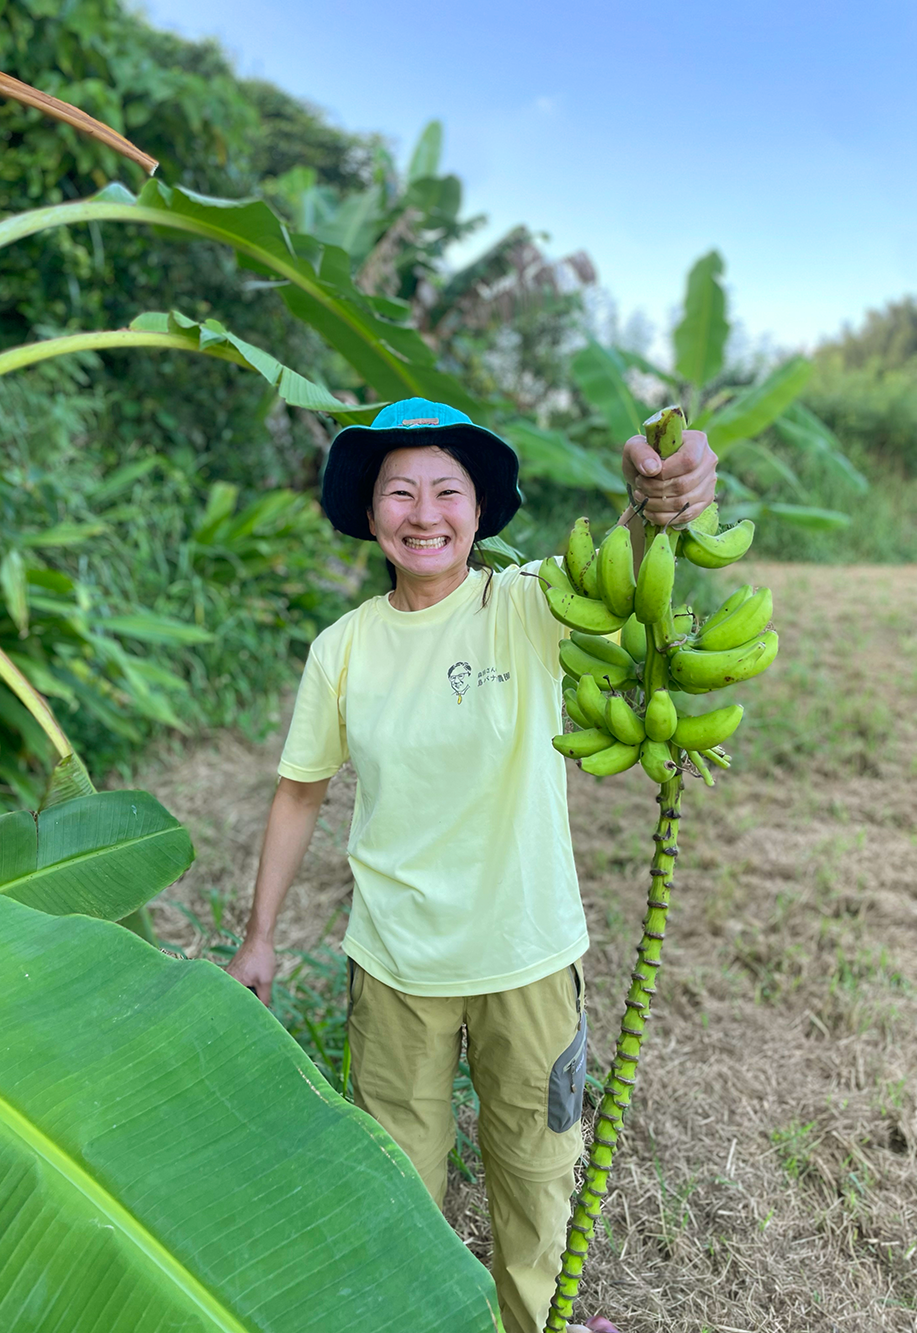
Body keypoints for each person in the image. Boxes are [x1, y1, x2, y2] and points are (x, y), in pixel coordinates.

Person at [226, 398, 717, 1333]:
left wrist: (655, 491)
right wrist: (259, 937)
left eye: (447, 491)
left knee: (536, 1185)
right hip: (395, 967)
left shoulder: (526, 604)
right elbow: (299, 793)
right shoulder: (343, 647)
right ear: (370, 513)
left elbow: (619, 567)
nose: (424, 513)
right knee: (397, 1197)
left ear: (479, 512)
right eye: (399, 492)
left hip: (525, 958)